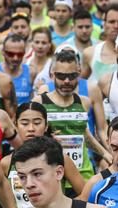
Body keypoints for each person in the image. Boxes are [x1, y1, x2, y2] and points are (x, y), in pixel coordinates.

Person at [34, 48, 107, 182]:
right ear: (52, 75)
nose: (67, 81)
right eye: (61, 76)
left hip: (83, 173)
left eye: (72, 76)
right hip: (53, 175)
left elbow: (85, 134)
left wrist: (107, 155)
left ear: (79, 74)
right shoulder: (40, 102)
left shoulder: (84, 102)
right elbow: (31, 138)